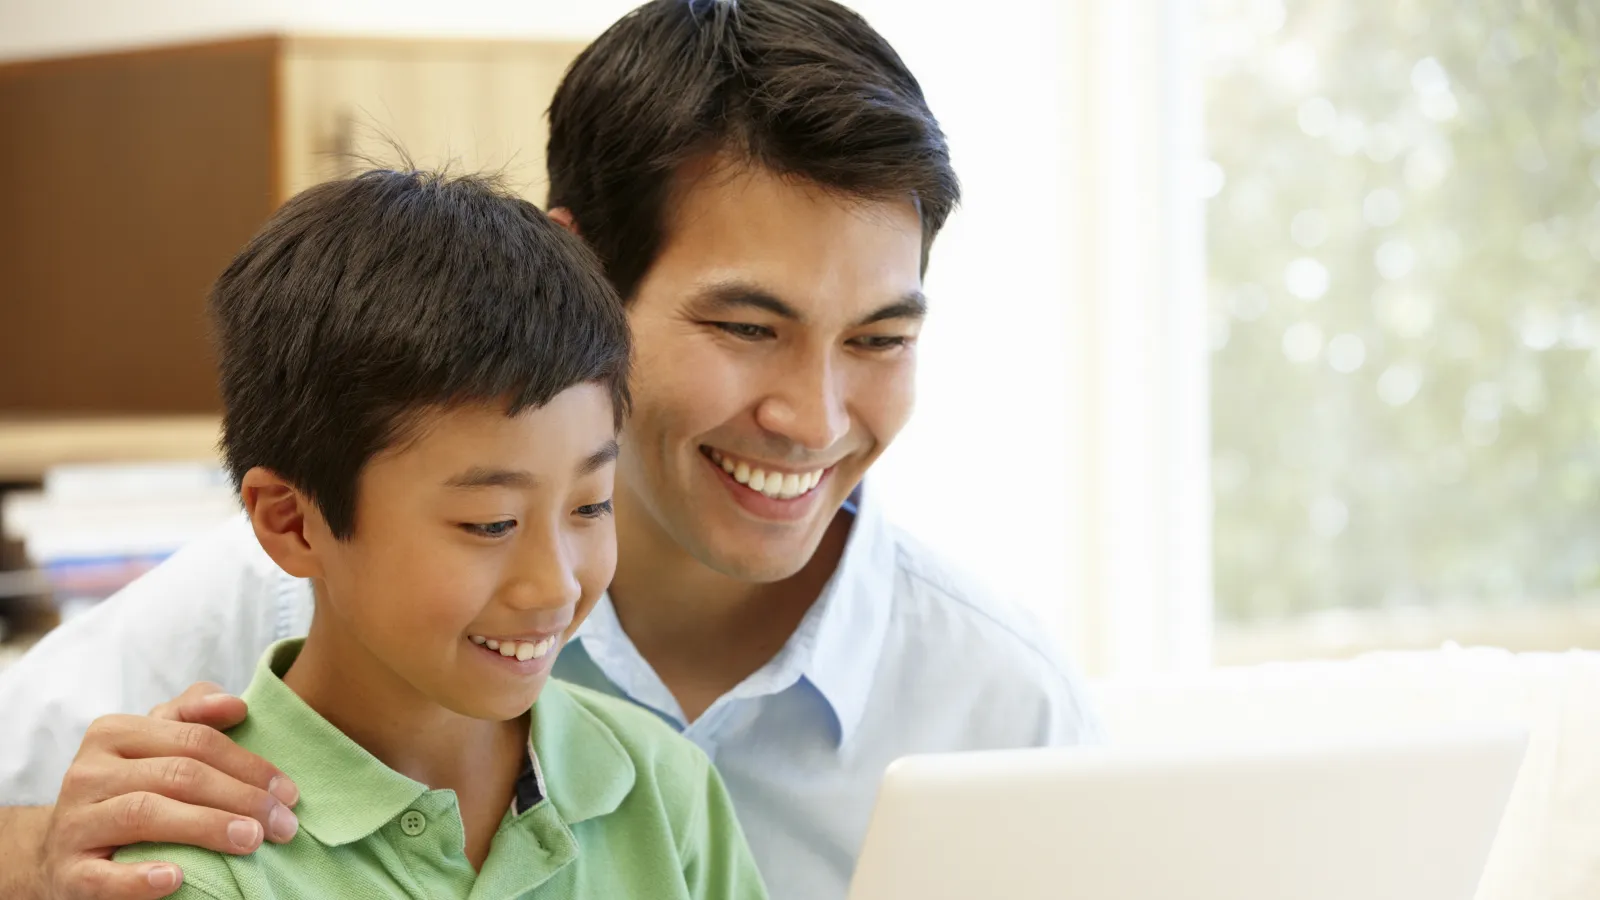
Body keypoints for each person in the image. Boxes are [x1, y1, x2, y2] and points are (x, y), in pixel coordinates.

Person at [0, 2, 1101, 899]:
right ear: (581, 272)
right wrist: (44, 845)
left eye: (878, 338)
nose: (811, 419)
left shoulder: (1005, 703)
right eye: (746, 329)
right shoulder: (278, 591)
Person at [107, 166, 767, 899]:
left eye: (590, 505)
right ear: (292, 522)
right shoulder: (198, 863)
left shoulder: (662, 788)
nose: (555, 584)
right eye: (491, 523)